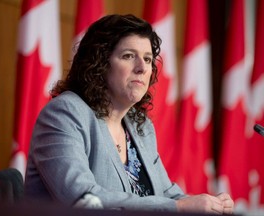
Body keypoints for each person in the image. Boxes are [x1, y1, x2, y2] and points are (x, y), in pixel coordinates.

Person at [24, 14, 234, 214]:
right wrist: (178, 209)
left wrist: (209, 204)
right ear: (99, 64)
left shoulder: (140, 126)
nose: (142, 68)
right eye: (128, 56)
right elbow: (84, 199)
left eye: (148, 59)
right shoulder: (64, 114)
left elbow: (166, 193)